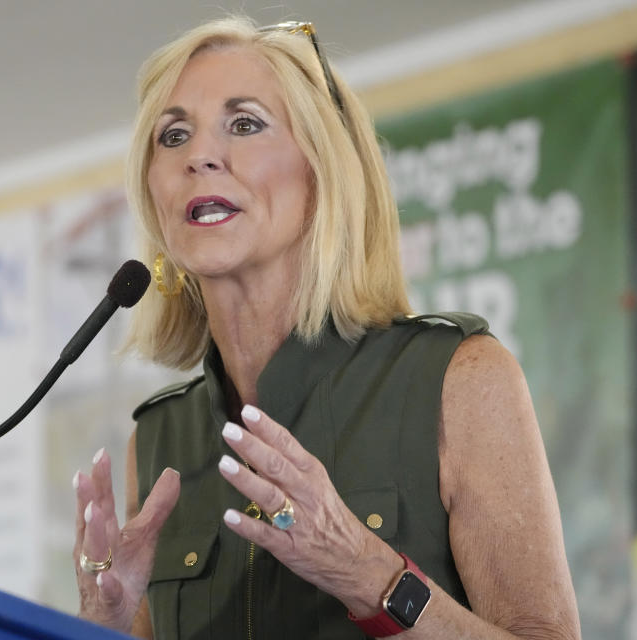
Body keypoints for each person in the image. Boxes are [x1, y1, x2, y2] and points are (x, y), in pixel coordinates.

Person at [71, 16, 581, 640]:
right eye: (172, 135)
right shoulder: (155, 441)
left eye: (245, 123)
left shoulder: (458, 378)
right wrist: (102, 627)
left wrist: (370, 574)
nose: (199, 156)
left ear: (323, 172)